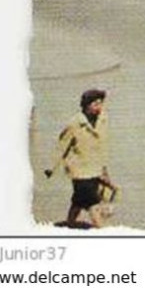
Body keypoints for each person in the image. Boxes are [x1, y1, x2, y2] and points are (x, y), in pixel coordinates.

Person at [45, 89, 113, 228]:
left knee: (79, 201)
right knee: (92, 203)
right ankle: (104, 232)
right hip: (80, 170)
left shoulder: (103, 119)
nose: (99, 107)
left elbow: (102, 144)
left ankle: (69, 224)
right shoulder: (74, 124)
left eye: (101, 103)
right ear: (86, 105)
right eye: (95, 104)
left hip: (95, 168)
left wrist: (104, 168)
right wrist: (50, 167)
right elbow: (61, 146)